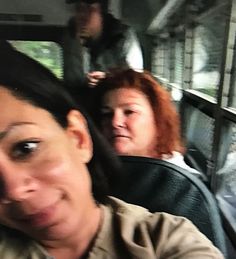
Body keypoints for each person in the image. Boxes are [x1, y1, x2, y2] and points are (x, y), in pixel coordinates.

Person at [0, 41, 223, 258]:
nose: (13, 191)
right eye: (107, 114)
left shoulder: (165, 239)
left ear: (79, 138)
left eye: (26, 148)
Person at [93, 68, 205, 179]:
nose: (115, 122)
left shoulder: (182, 186)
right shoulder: (95, 172)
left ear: (158, 121)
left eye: (129, 112)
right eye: (107, 114)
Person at [62, 0, 143, 101]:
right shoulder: (71, 39)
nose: (82, 16)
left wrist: (108, 79)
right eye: (79, 9)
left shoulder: (123, 37)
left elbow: (136, 81)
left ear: (102, 12)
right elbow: (71, 85)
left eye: (89, 9)